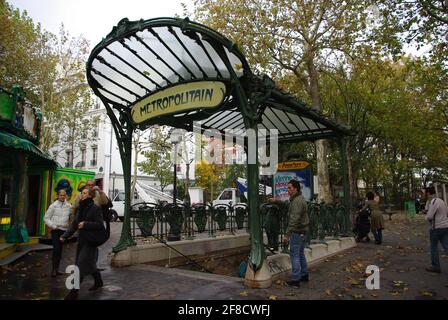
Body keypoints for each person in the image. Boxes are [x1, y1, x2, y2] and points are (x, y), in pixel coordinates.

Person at [60, 187, 105, 298]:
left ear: (90, 195)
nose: (82, 195)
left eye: (84, 193)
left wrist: (86, 224)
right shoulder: (81, 208)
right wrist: (65, 236)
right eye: (82, 193)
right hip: (82, 241)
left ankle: (74, 292)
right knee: (89, 264)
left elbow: (100, 225)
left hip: (91, 241)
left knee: (79, 266)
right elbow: (75, 224)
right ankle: (98, 281)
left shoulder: (95, 208)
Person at [269, 179, 309, 288]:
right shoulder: (297, 199)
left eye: (290, 188)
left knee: (294, 255)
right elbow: (287, 205)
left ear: (296, 189)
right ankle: (304, 274)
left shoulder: (297, 201)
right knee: (300, 254)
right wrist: (276, 201)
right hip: (303, 231)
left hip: (297, 232)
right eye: (287, 188)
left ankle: (295, 280)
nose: (288, 190)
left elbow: (294, 219)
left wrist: (287, 234)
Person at [44, 189, 72, 277]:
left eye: (64, 195)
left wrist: (69, 228)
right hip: (55, 230)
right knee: (56, 249)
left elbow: (72, 218)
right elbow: (46, 218)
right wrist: (53, 226)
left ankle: (57, 269)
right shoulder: (53, 206)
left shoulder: (69, 206)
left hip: (64, 231)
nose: (63, 197)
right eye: (61, 195)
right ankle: (53, 270)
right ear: (57, 196)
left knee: (60, 250)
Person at [424, 186, 448, 273]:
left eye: (425, 193)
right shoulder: (441, 201)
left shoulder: (433, 201)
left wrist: (425, 217)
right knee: (446, 246)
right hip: (445, 226)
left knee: (433, 247)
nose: (424, 194)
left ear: (428, 193)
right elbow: (447, 212)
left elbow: (430, 216)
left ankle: (435, 266)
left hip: (436, 227)